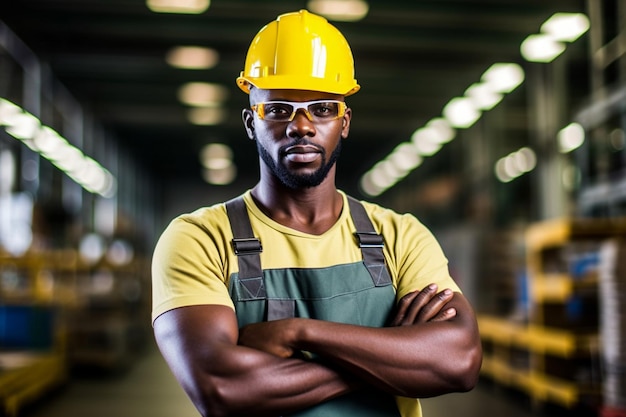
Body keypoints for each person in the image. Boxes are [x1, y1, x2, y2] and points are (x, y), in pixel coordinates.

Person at [152, 9, 482, 417]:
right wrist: (395, 354)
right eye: (278, 109)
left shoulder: (400, 235)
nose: (302, 126)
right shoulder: (198, 238)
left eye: (322, 108)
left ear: (344, 122)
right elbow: (220, 388)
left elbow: (460, 361)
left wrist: (298, 332)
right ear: (250, 122)